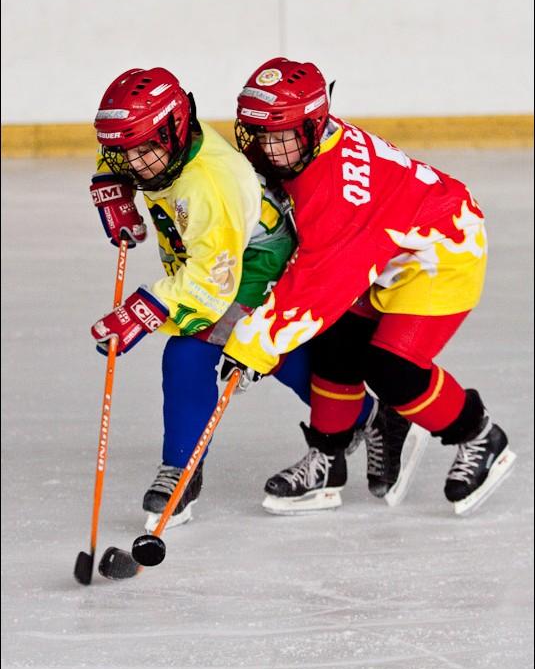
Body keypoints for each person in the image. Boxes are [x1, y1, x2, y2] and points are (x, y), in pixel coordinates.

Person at [88, 66, 408, 530]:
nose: (134, 165)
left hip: (256, 262)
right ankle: (368, 416)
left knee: (192, 351)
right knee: (272, 352)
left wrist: (145, 311)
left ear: (176, 129)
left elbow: (207, 286)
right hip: (221, 256)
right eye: (124, 154)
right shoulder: (158, 147)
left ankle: (180, 471)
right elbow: (119, 150)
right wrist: (109, 183)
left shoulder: (209, 185)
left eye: (143, 151)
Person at [222, 57, 516, 516]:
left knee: (392, 368)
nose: (267, 148)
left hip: (442, 249)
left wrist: (255, 346)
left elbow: (316, 285)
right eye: (257, 133)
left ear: (314, 126)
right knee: (335, 347)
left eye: (279, 137)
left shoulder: (337, 191)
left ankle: (480, 436)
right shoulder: (310, 142)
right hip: (387, 247)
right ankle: (328, 457)